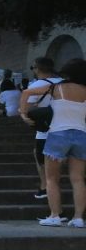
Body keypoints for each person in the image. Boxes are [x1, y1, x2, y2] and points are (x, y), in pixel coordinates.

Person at [22, 58, 86, 228]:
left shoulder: (56, 87)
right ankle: (79, 218)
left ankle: (55, 215)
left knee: (51, 179)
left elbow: (26, 93)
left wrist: (23, 114)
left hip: (58, 134)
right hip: (81, 134)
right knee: (78, 179)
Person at [21, 57, 64, 201]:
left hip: (45, 131)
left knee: (42, 160)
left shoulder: (35, 86)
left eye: (33, 67)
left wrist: (24, 114)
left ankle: (44, 186)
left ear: (37, 69)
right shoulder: (64, 83)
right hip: (66, 127)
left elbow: (27, 111)